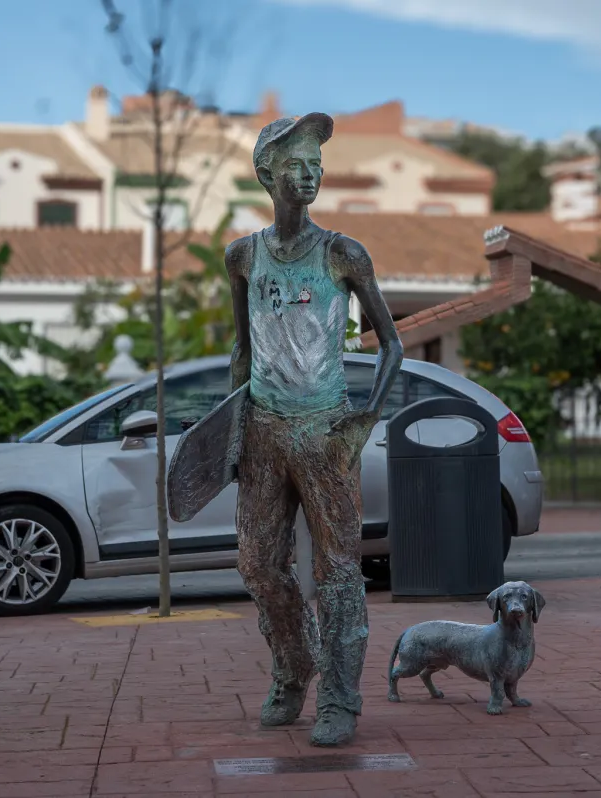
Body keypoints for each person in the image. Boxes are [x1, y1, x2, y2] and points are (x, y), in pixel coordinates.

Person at [224, 113, 403, 746]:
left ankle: (341, 698)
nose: (310, 174)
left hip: (327, 433)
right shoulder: (242, 256)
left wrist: (362, 423)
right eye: (297, 163)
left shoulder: (343, 253)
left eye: (316, 164)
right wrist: (232, 433)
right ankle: (295, 665)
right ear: (267, 173)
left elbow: (392, 347)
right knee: (256, 564)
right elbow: (241, 354)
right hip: (265, 432)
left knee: (338, 571)